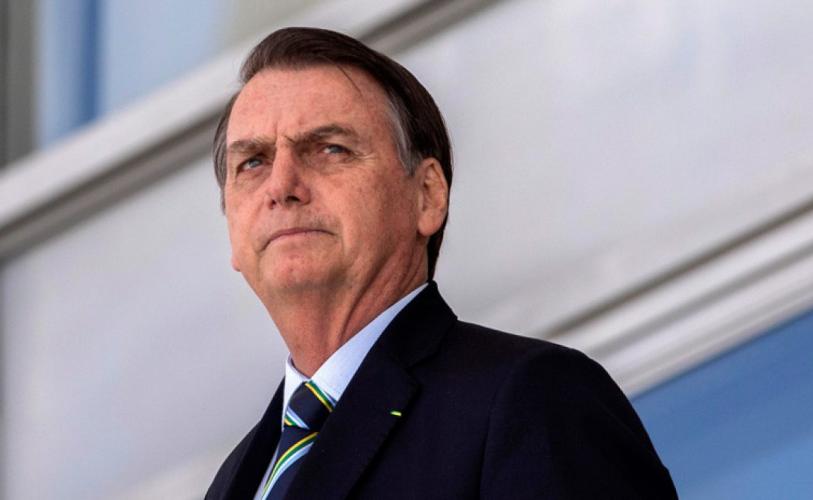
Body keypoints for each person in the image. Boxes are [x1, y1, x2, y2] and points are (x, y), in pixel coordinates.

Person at [205, 27, 677, 500]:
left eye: (331, 149)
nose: (281, 186)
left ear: (427, 196)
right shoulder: (235, 480)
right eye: (253, 162)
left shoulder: (534, 397)